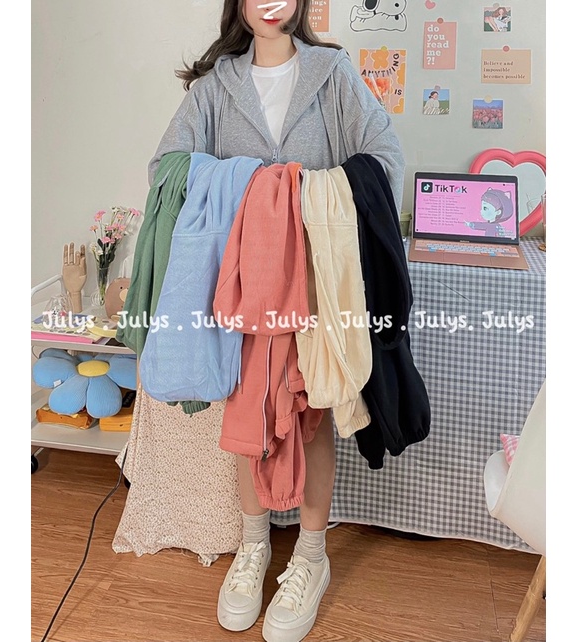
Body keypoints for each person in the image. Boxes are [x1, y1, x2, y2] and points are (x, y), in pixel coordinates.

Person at [147, 2, 405, 640]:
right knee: (248, 412)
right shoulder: (215, 88)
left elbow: (384, 156)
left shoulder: (333, 75)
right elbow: (166, 170)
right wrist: (249, 189)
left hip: (314, 284)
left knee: (310, 410)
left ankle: (311, 557)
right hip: (244, 286)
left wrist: (310, 196)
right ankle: (253, 547)